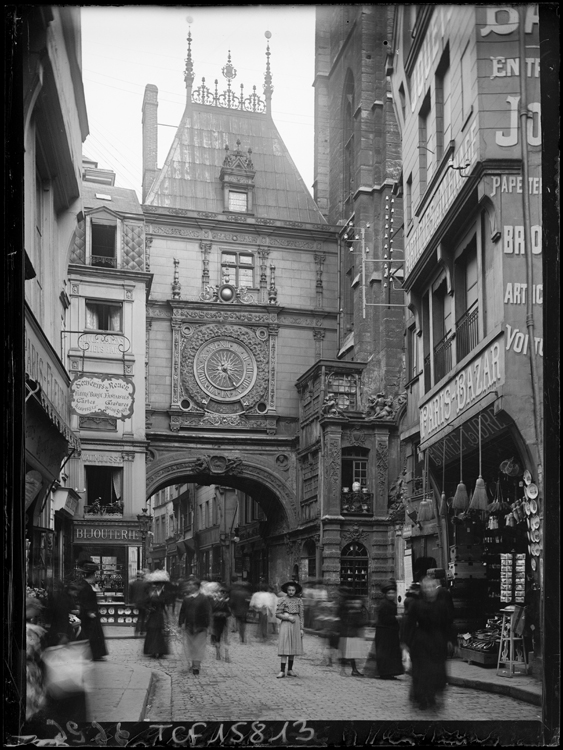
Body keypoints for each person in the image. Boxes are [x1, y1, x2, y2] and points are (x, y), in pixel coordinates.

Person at [403, 575, 450, 710]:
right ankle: (422, 697)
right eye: (426, 587)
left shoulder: (441, 605)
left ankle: (432, 695)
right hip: (421, 642)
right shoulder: (416, 605)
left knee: (436, 671)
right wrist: (406, 642)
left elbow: (447, 624)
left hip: (437, 642)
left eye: (432, 587)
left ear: (436, 589)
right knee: (422, 671)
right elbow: (409, 624)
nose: (429, 590)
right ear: (423, 589)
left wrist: (451, 640)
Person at [178, 578, 212, 676]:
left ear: (197, 587)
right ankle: (194, 664)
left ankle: (196, 666)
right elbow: (183, 612)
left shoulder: (203, 599)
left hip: (200, 626)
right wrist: (181, 623)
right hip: (189, 626)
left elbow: (207, 612)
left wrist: (209, 625)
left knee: (199, 646)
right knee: (191, 646)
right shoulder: (187, 599)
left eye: (192, 585)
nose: (190, 587)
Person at [75, 560, 108, 661]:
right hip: (89, 614)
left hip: (92, 612)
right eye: (94, 575)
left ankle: (96, 654)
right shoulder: (85, 586)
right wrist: (89, 612)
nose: (96, 577)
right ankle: (93, 654)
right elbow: (84, 600)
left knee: (94, 634)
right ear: (91, 575)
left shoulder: (87, 585)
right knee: (91, 634)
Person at [375, 581, 404, 680]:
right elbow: (384, 618)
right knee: (385, 653)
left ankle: (390, 672)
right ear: (385, 594)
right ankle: (385, 672)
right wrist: (396, 618)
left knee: (391, 653)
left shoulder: (390, 603)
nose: (391, 595)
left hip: (390, 632)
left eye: (393, 593)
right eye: (389, 593)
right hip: (384, 632)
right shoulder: (384, 604)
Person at [275, 581, 304, 678]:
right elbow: (278, 614)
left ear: (296, 591)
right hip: (286, 624)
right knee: (285, 645)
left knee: (293, 646)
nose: (291, 592)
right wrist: (287, 617)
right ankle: (282, 670)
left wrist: (301, 629)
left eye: (293, 590)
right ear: (286, 590)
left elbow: (301, 616)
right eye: (289, 590)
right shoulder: (283, 600)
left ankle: (290, 669)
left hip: (295, 624)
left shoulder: (299, 601)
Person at [337, 590, 368, 677]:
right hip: (348, 633)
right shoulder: (351, 610)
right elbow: (357, 622)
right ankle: (345, 670)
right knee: (347, 652)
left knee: (350, 653)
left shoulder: (352, 609)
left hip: (350, 633)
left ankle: (353, 670)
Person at [143, 576, 169, 659]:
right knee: (152, 632)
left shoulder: (163, 593)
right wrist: (149, 608)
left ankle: (160, 651)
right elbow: (145, 602)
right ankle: (152, 650)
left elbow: (165, 604)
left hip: (159, 615)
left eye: (159, 585)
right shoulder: (151, 593)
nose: (157, 586)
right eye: (156, 585)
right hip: (152, 615)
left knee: (159, 633)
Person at [210, 584, 231, 661]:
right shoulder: (226, 602)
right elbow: (229, 613)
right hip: (224, 621)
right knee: (225, 638)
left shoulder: (214, 602)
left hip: (216, 621)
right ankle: (226, 656)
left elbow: (211, 612)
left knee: (217, 637)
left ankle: (218, 654)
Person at [228, 576, 251, 644]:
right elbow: (248, 602)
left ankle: (240, 635)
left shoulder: (233, 592)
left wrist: (232, 609)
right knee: (242, 624)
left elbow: (231, 602)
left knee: (238, 622)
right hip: (244, 611)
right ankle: (242, 637)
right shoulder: (246, 593)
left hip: (236, 610)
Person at [129, 571, 149, 637]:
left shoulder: (133, 583)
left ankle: (137, 630)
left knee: (140, 616)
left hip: (136, 602)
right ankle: (141, 631)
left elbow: (131, 593)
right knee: (143, 617)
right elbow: (147, 594)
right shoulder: (145, 584)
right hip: (143, 602)